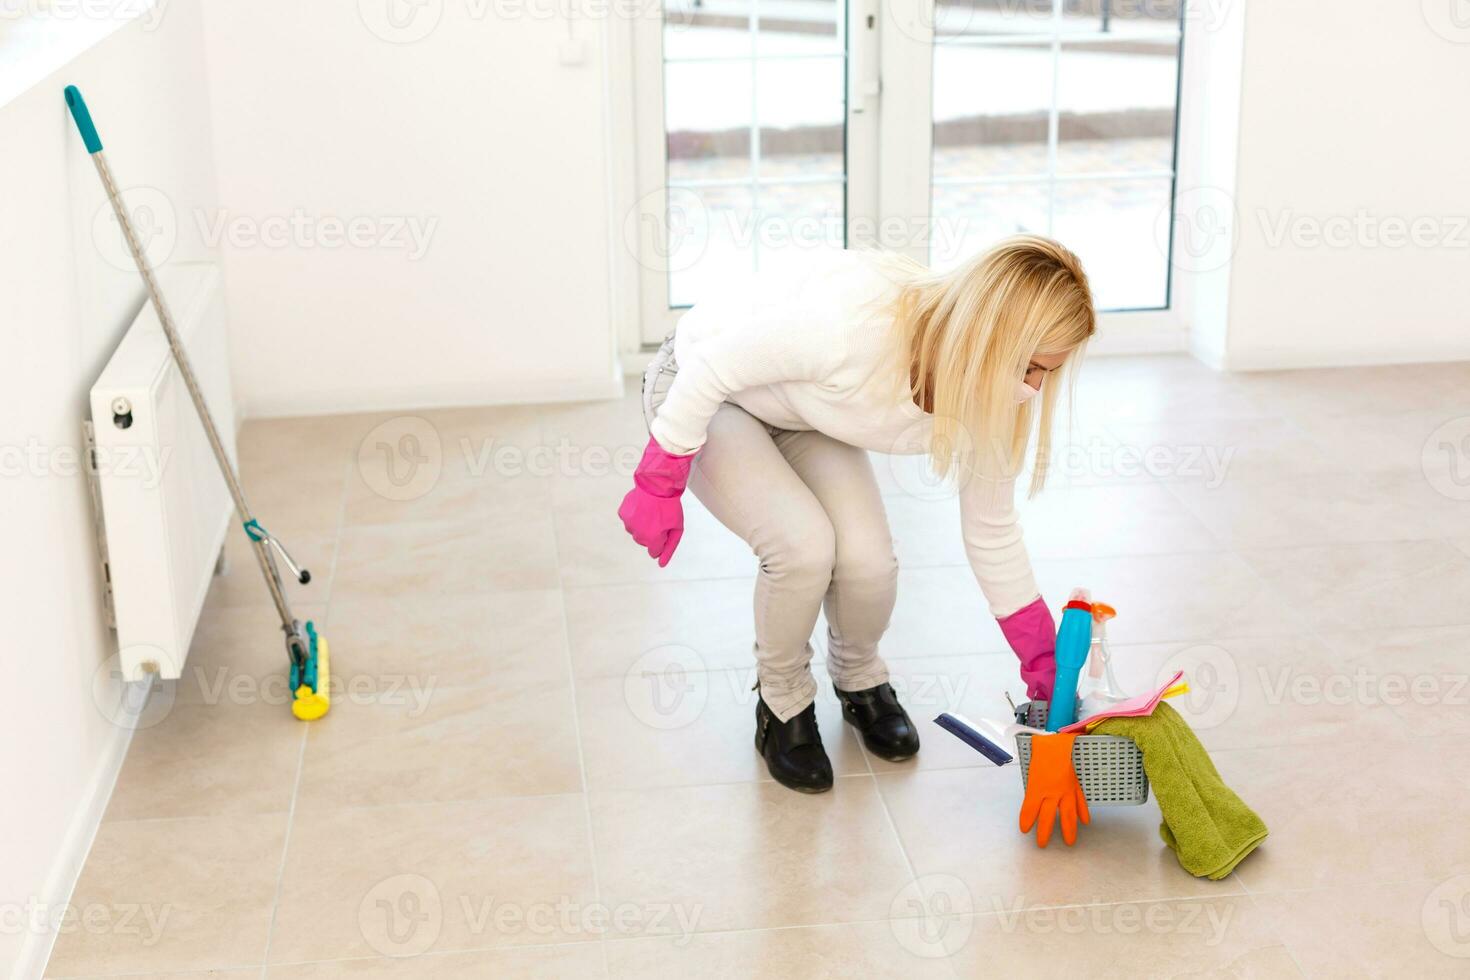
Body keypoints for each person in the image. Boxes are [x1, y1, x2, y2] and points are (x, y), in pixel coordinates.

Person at [619, 236, 1096, 793]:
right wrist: (659, 479)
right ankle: (783, 702)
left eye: (1047, 375)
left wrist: (1041, 657)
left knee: (869, 563)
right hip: (702, 386)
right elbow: (715, 369)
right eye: (1030, 367)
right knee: (802, 548)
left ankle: (860, 679)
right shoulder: (856, 328)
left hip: (800, 411)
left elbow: (991, 533)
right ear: (986, 338)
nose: (1032, 390)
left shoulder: (996, 397)